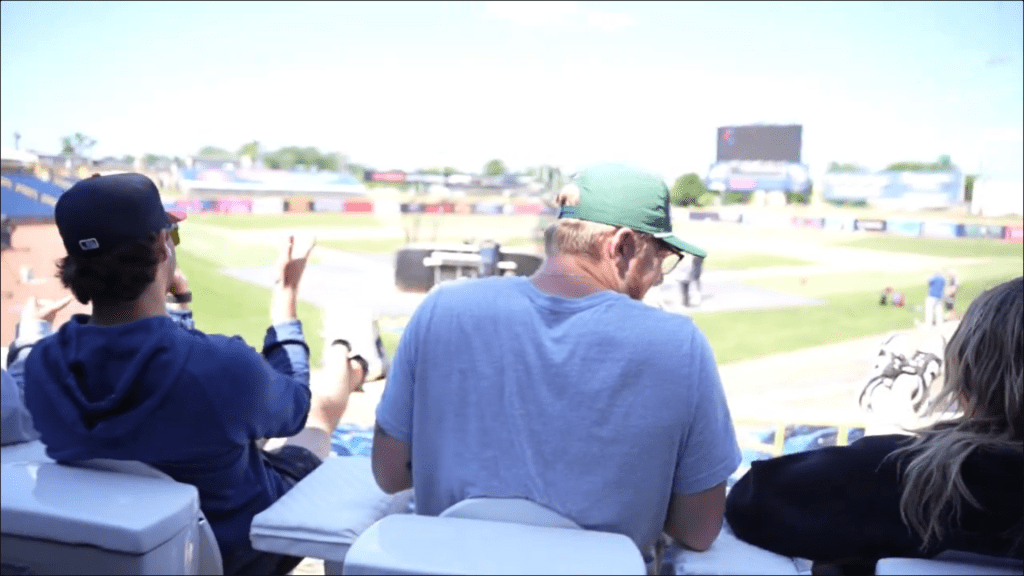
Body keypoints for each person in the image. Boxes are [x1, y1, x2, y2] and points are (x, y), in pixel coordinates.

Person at [372, 163, 742, 568]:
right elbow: (699, 529)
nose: (658, 278)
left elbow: (390, 474)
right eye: (661, 257)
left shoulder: (442, 309)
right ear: (621, 246)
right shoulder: (680, 344)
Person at [12, 173, 376, 576]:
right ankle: (348, 349)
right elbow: (296, 406)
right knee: (319, 421)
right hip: (241, 550)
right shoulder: (221, 366)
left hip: (119, 555)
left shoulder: (42, 366)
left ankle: (354, 359)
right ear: (161, 246)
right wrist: (285, 299)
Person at [725, 276, 1023, 574]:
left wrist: (906, 438)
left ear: (969, 377)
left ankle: (893, 402)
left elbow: (753, 498)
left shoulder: (908, 476)